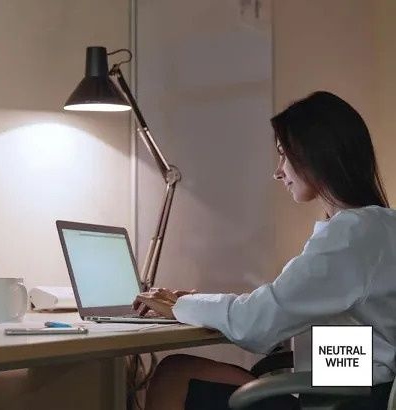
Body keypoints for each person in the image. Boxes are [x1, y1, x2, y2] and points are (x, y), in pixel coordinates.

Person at [133, 91, 396, 410]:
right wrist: (196, 304)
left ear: (315, 155)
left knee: (173, 375)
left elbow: (255, 323)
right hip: (360, 389)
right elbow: (288, 312)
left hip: (349, 401)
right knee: (178, 369)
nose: (278, 171)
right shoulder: (378, 226)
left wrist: (181, 305)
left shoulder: (352, 234)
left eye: (284, 155)